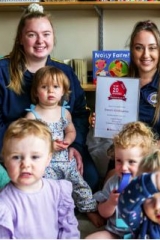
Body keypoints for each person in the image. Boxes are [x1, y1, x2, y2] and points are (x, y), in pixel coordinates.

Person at [0, 3, 99, 192]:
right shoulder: (2, 72)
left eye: (46, 34)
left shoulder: (65, 72)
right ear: (21, 38)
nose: (40, 41)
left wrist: (75, 145)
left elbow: (78, 113)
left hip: (62, 149)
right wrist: (26, 151)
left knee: (91, 181)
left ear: (53, 38)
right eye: (32, 35)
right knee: (13, 186)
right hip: (18, 151)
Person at [88, 20, 160, 180]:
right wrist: (101, 122)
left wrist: (148, 150)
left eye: (152, 48)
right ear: (132, 51)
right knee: (112, 189)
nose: (146, 55)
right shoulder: (118, 85)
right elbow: (114, 131)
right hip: (125, 160)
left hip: (159, 158)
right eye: (139, 47)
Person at [25, 66, 104, 227]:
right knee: (48, 189)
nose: (50, 91)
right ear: (36, 91)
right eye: (44, 87)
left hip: (65, 159)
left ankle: (88, 208)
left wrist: (68, 141)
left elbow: (71, 130)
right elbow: (28, 141)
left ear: (63, 91)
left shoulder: (64, 113)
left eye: (55, 87)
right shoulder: (32, 116)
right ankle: (51, 215)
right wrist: (48, 145)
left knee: (79, 183)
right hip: (45, 163)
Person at [0, 118, 80, 238]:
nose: (26, 164)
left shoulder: (58, 191)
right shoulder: (5, 203)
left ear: (48, 159)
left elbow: (69, 228)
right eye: (16, 157)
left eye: (35, 157)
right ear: (5, 160)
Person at [86, 121, 157, 239]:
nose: (123, 167)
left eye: (131, 162)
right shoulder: (113, 183)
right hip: (114, 233)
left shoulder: (149, 184)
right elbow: (103, 213)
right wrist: (111, 203)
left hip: (141, 234)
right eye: (118, 160)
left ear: (146, 162)